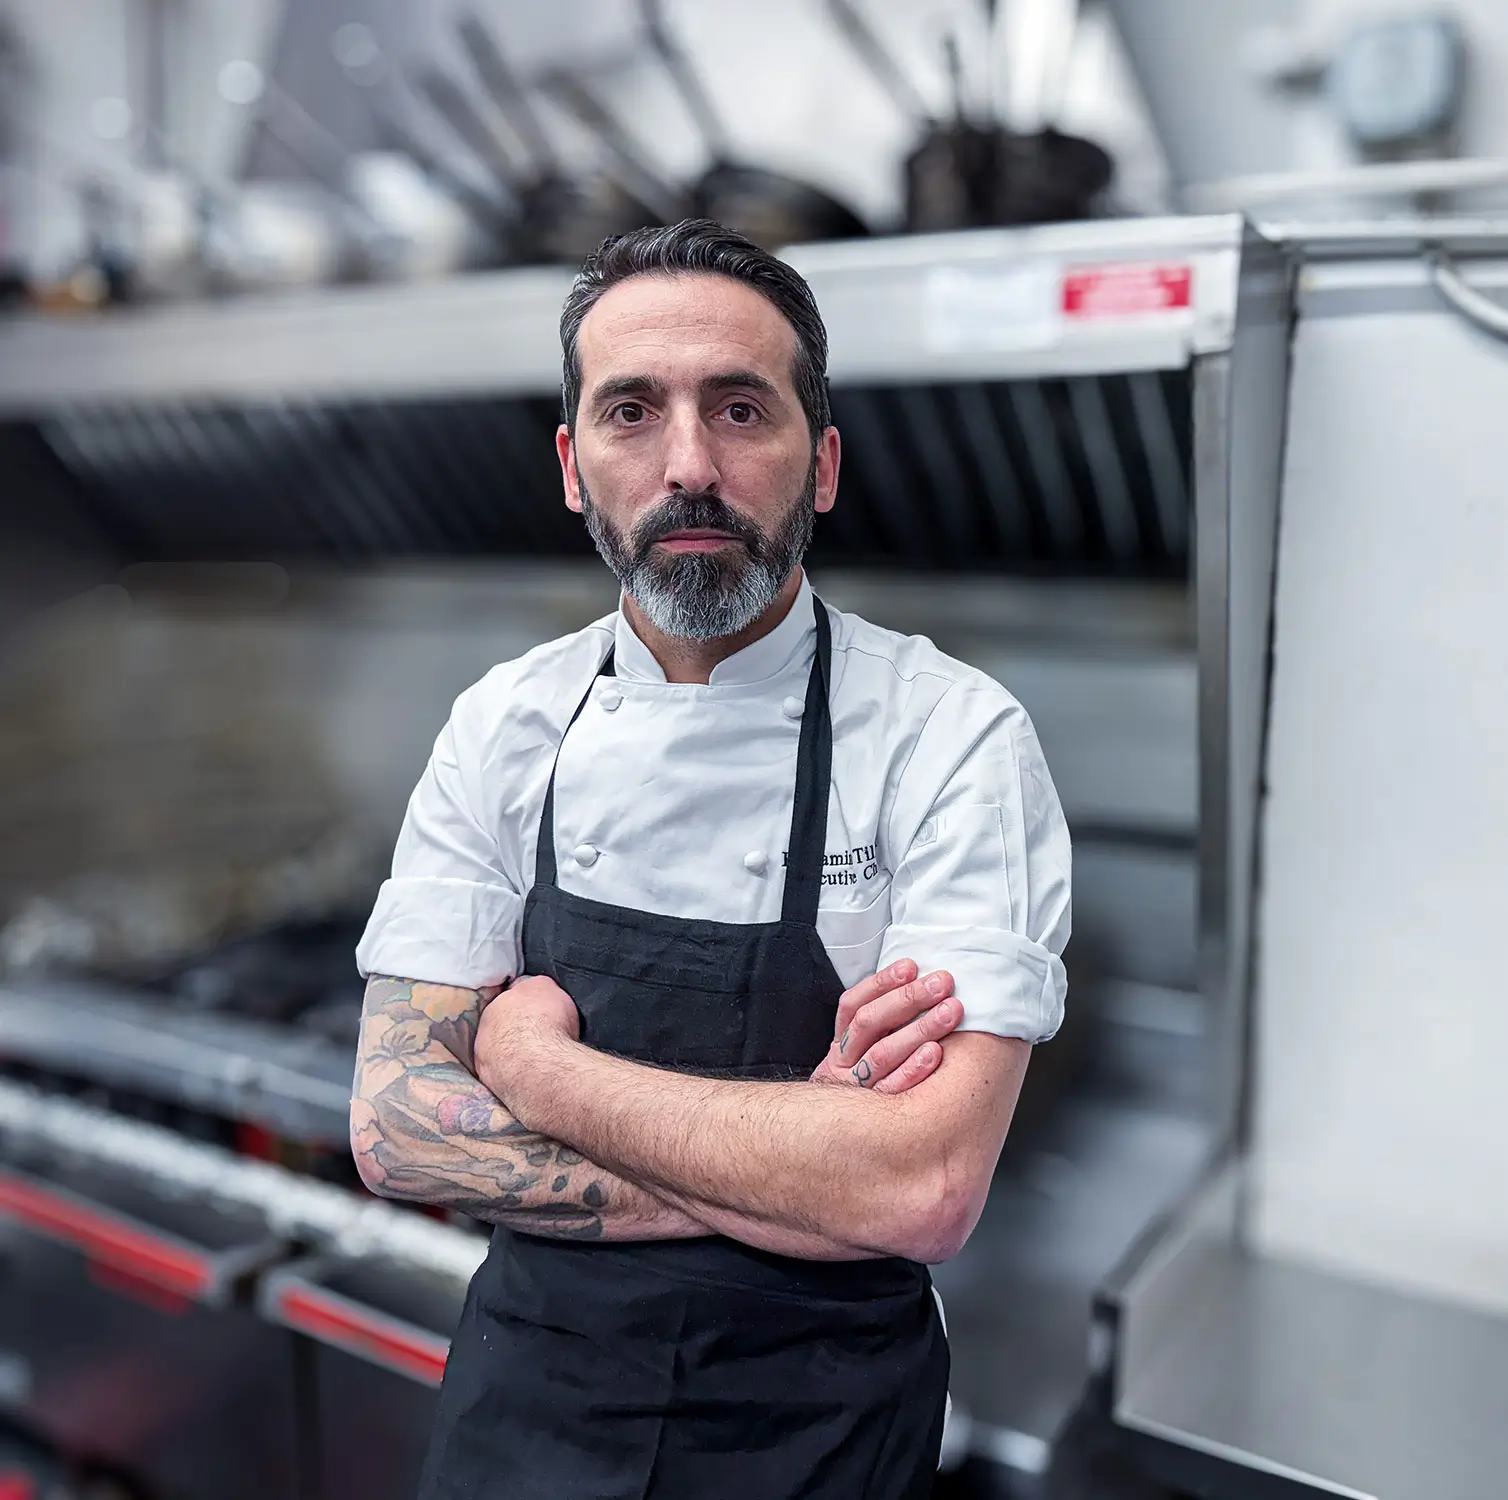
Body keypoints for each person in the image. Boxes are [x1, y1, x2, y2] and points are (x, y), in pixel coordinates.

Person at [347, 219, 1071, 1499]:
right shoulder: (505, 724)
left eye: (741, 409)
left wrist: (535, 1066)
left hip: (822, 1434)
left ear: (822, 463)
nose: (690, 464)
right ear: (573, 466)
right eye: (632, 411)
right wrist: (810, 1171)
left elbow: (920, 1188)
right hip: (530, 1419)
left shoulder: (950, 737)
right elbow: (401, 1132)